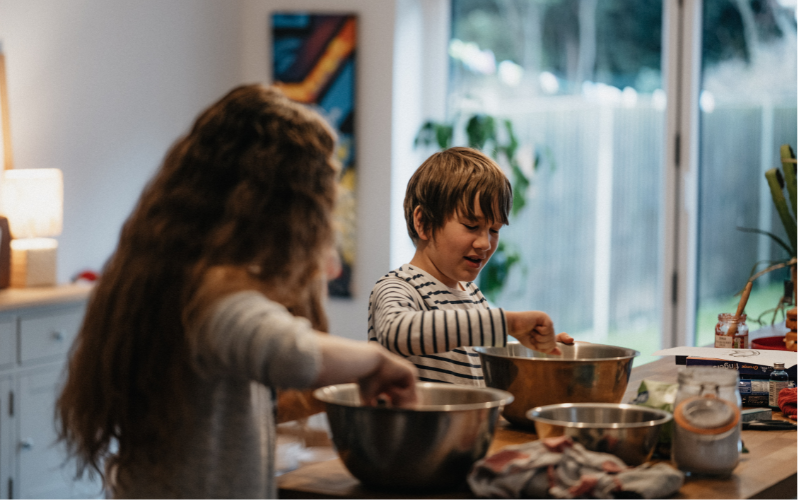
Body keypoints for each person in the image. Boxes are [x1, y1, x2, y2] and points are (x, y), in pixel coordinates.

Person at [56, 84, 418, 499]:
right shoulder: (211, 296)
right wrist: (376, 361)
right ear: (279, 209)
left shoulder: (165, 272)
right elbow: (290, 353)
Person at [368, 147, 572, 386]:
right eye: (471, 225)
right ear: (423, 222)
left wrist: (537, 348)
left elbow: (478, 353)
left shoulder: (473, 295)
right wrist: (508, 323)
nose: (485, 243)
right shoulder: (398, 287)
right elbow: (396, 332)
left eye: (494, 230)